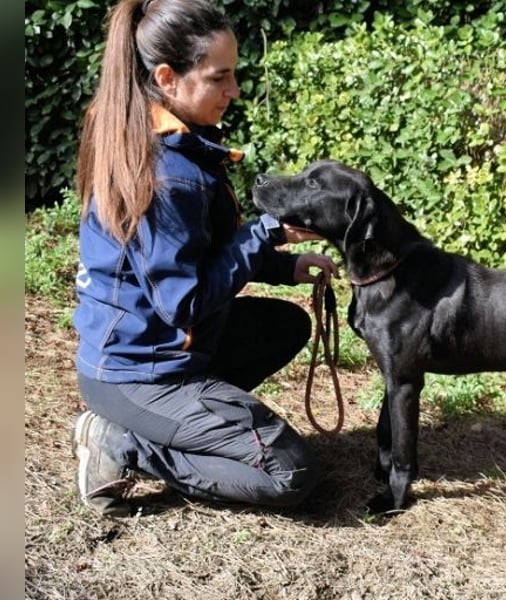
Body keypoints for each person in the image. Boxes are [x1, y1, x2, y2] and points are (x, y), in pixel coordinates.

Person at [72, 0, 338, 517]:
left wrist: (282, 262)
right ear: (168, 78)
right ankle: (122, 445)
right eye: (221, 77)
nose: (234, 91)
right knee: (291, 472)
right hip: (139, 372)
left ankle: (171, 426)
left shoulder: (148, 136)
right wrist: (263, 233)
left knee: (283, 325)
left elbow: (196, 252)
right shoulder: (169, 175)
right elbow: (184, 303)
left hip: (138, 354)